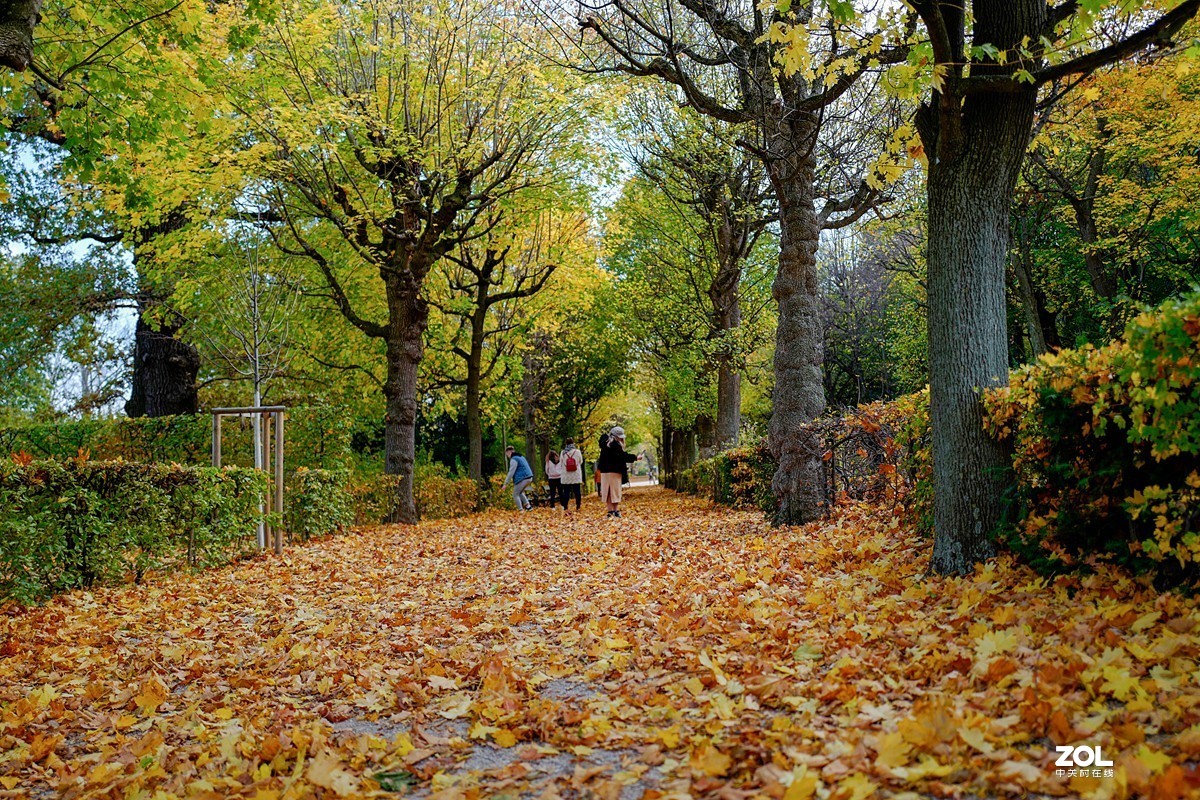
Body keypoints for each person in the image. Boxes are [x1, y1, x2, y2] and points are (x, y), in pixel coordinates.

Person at [596, 426, 639, 518]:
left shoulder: (605, 443)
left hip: (604, 471)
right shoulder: (615, 444)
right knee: (615, 491)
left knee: (607, 491)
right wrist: (636, 457)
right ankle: (615, 511)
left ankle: (610, 511)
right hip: (615, 471)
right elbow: (623, 456)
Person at [501, 446, 534, 512]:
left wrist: (505, 483)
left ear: (509, 452)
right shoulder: (521, 457)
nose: (507, 456)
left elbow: (511, 472)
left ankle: (521, 510)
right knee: (520, 492)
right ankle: (529, 507)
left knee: (515, 494)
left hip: (523, 478)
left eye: (507, 454)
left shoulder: (514, 459)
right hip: (529, 477)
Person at [559, 439, 584, 511]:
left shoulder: (563, 452)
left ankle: (565, 506)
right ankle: (578, 506)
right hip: (576, 474)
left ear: (566, 444)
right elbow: (581, 461)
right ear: (573, 443)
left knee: (566, 491)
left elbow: (561, 462)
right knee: (577, 491)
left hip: (566, 475)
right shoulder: (577, 451)